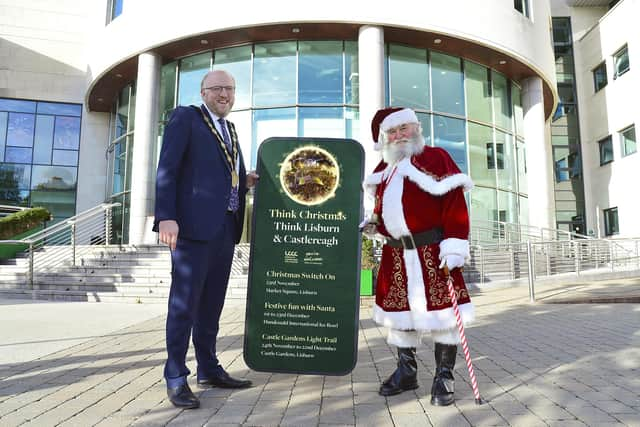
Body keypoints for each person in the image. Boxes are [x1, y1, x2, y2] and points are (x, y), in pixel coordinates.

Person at [153, 69, 258, 409]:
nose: (224, 94)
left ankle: (209, 368)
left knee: (212, 304)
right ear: (204, 92)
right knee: (184, 305)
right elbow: (167, 167)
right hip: (191, 229)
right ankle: (175, 376)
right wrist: (166, 216)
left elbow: (221, 174)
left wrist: (245, 180)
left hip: (225, 229)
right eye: (217, 88)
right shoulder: (187, 117)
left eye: (230, 88)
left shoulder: (230, 128)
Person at [360, 107, 474, 406]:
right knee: (400, 317)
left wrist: (455, 245)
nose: (399, 136)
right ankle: (407, 372)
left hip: (433, 251)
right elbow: (384, 212)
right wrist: (374, 224)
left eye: (404, 129)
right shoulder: (386, 169)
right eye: (392, 132)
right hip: (396, 252)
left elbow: (454, 205)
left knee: (443, 317)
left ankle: (444, 376)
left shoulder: (435, 158)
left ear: (417, 128)